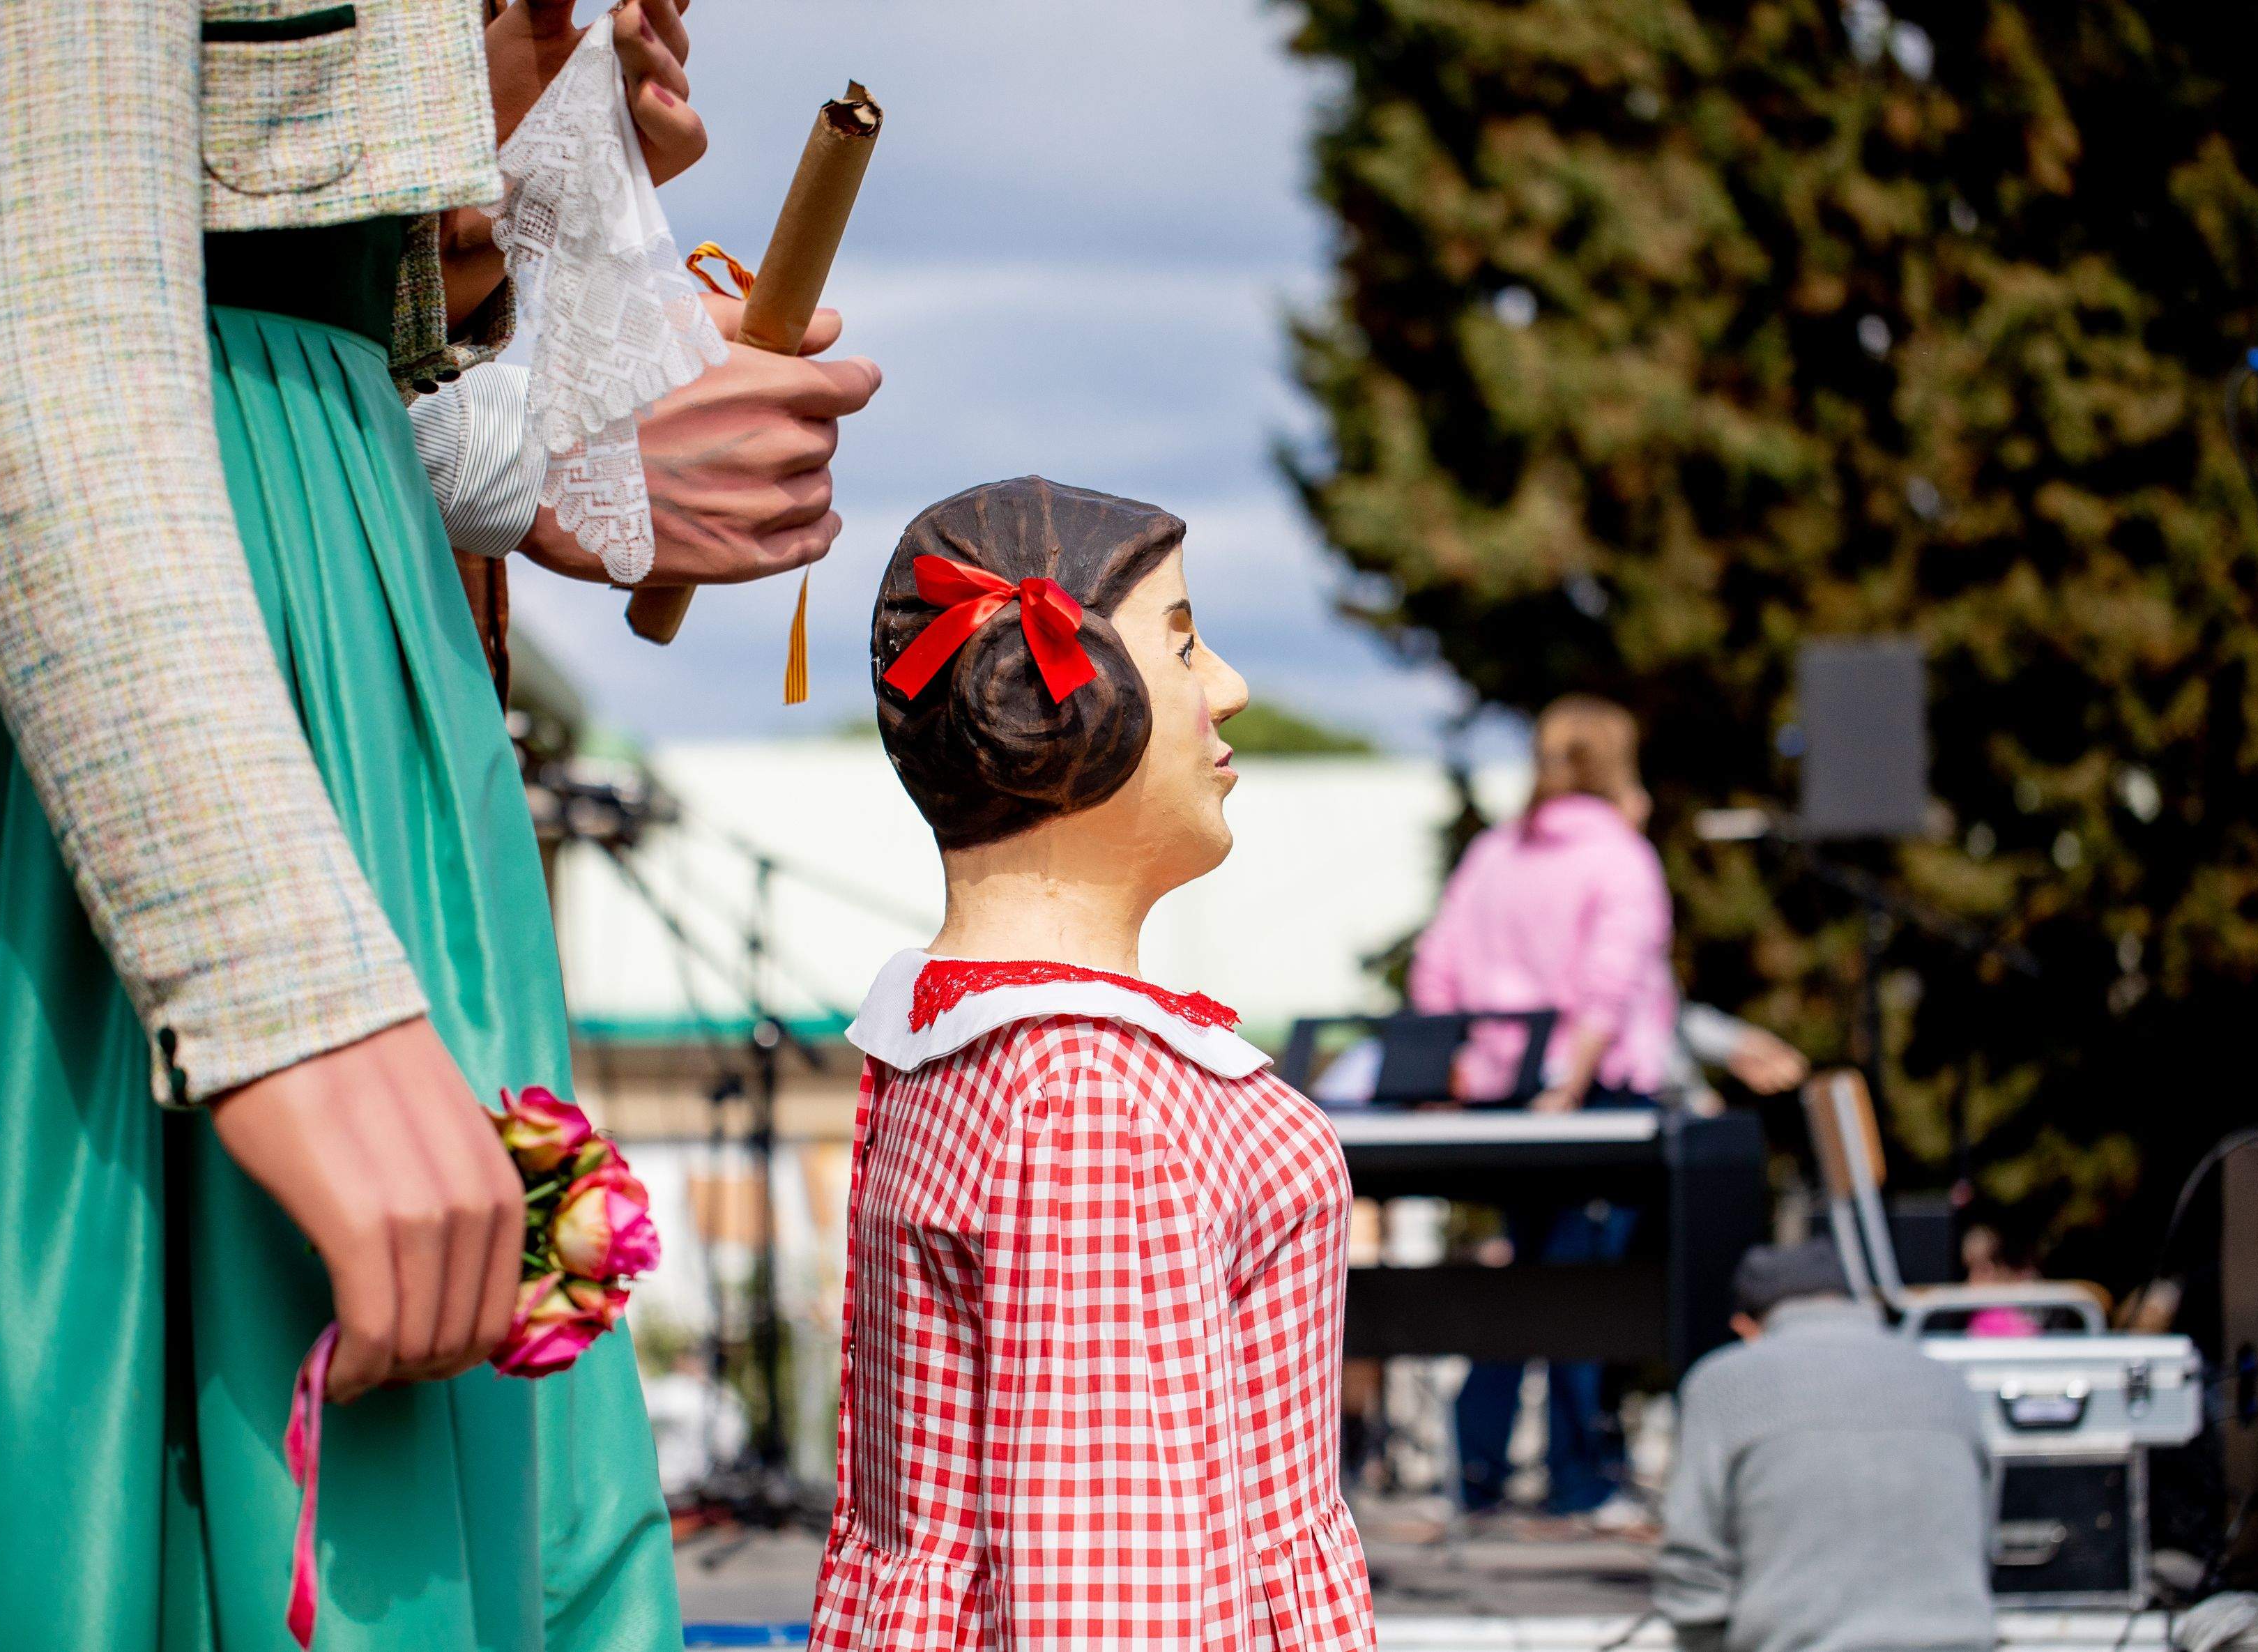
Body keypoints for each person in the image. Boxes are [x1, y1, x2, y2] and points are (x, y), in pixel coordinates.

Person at [0, 3, 873, 1648]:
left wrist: (495, 174)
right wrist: (292, 1003)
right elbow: (34, 280)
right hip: (108, 634)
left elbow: (287, 249)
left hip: (324, 592)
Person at [809, 479, 1376, 1649]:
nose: (1230, 687)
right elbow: (1108, 1588)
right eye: (1182, 646)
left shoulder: (981, 1045)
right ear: (1051, 702)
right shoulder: (1088, 1094)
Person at [1408, 693, 1676, 1520]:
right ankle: (1579, 1478)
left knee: (1517, 1282)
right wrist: (1571, 1081)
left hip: (1500, 1096)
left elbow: (1435, 967)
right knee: (1581, 1291)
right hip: (1588, 1099)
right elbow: (1609, 980)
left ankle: (1477, 1470)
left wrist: (1450, 1071)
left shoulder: (1495, 853)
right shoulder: (1620, 857)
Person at [1656, 1240, 1999, 1652]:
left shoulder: (1725, 1382)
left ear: (1748, 1325)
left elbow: (1695, 1559)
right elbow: (1983, 1544)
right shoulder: (1947, 1381)